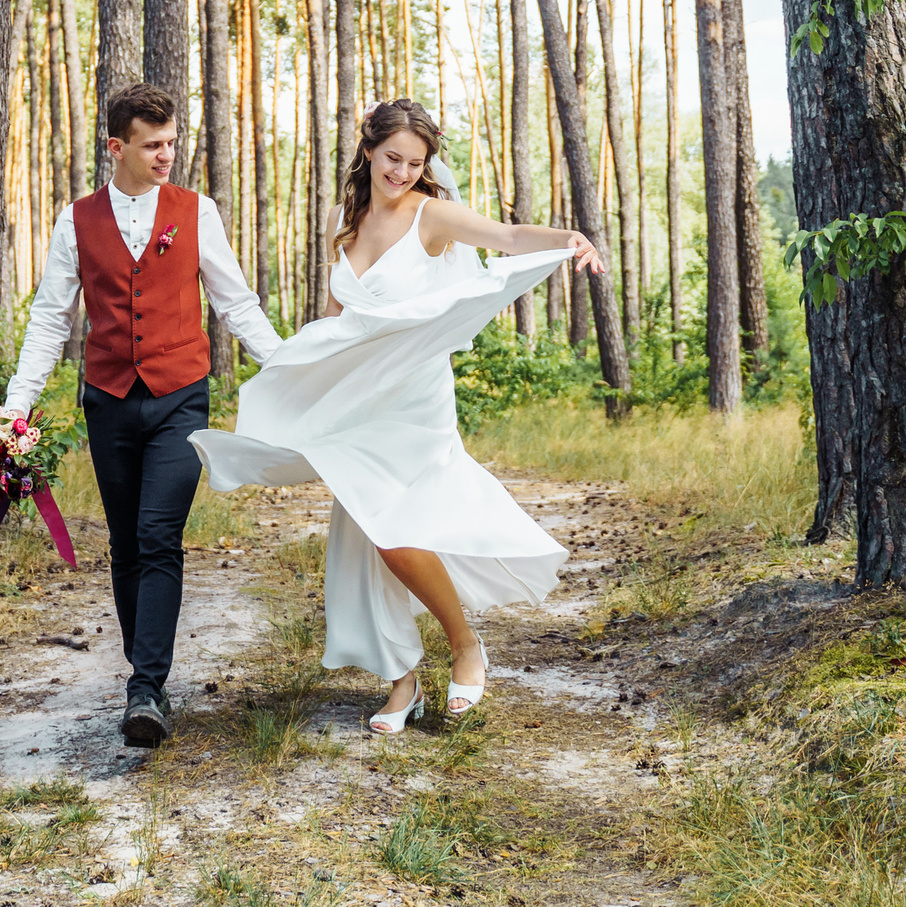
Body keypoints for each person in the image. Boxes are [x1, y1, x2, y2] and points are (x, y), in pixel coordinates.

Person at [191, 99, 605, 733]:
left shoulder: (431, 215)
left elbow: (507, 237)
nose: (404, 173)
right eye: (393, 159)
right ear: (368, 151)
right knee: (362, 541)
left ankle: (466, 647)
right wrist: (306, 377)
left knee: (394, 535)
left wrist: (567, 238)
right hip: (360, 396)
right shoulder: (345, 216)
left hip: (414, 397)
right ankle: (402, 683)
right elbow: (338, 315)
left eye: (416, 163)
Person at [0, 81, 282, 749]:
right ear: (116, 146)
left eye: (172, 142)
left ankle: (145, 687)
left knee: (159, 534)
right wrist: (17, 402)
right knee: (125, 542)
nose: (167, 156)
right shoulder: (77, 220)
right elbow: (49, 317)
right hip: (108, 400)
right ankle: (144, 674)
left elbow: (234, 303)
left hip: (181, 394)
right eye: (153, 145)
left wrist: (288, 364)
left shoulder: (196, 210)